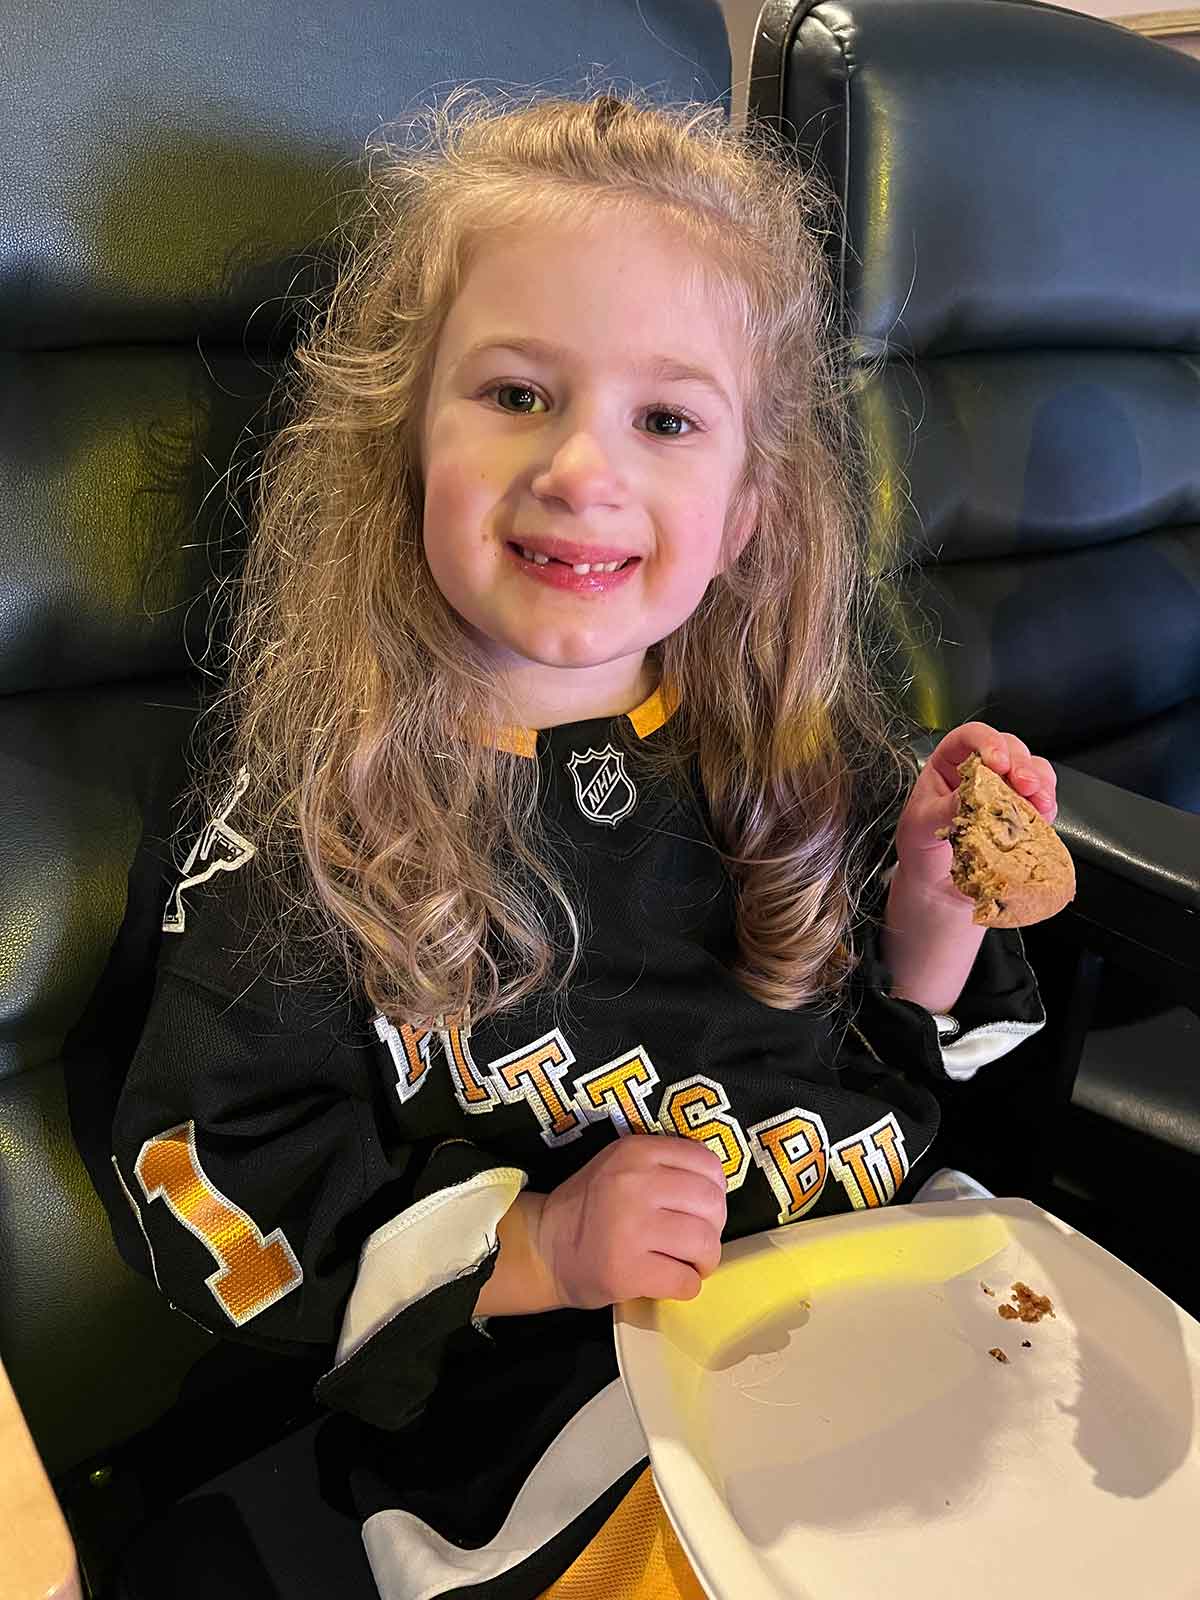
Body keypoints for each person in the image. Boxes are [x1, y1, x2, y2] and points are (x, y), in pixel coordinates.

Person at [76, 87, 1054, 1600]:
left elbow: (897, 1066)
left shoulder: (802, 759)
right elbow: (211, 1176)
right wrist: (536, 1245)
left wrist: (933, 912)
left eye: (666, 419)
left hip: (885, 1309)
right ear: (403, 436)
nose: (584, 469)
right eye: (519, 394)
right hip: (548, 1414)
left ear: (747, 510)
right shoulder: (301, 813)